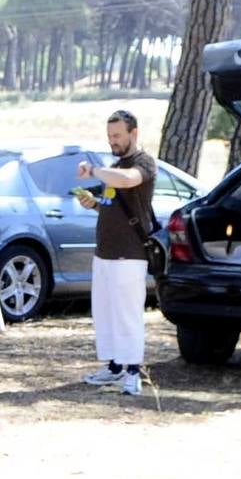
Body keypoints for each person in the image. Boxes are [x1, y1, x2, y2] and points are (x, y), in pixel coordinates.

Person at [75, 109, 158, 397]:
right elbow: (113, 203)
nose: (113, 141)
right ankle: (114, 366)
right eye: (110, 136)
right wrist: (94, 204)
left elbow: (127, 180)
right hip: (105, 253)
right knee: (106, 313)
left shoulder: (143, 162)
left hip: (130, 254)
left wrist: (95, 171)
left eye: (118, 135)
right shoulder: (115, 165)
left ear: (133, 133)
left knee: (127, 314)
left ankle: (133, 371)